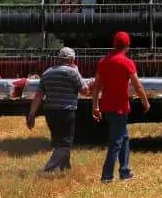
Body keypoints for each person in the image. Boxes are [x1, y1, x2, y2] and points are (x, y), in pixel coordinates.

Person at [91, 31, 150, 183]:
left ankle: (125, 171)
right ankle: (106, 176)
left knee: (124, 137)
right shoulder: (126, 62)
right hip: (120, 107)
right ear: (127, 46)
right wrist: (145, 102)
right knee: (116, 141)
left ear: (114, 45)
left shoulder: (103, 62)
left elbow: (96, 87)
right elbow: (137, 86)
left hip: (107, 107)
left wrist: (95, 106)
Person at [26, 47, 87, 174]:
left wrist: (32, 114)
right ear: (71, 60)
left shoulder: (47, 73)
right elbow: (84, 91)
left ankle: (65, 169)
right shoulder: (72, 72)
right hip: (66, 111)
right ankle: (48, 169)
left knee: (59, 141)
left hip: (50, 112)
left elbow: (38, 95)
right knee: (65, 143)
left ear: (59, 59)